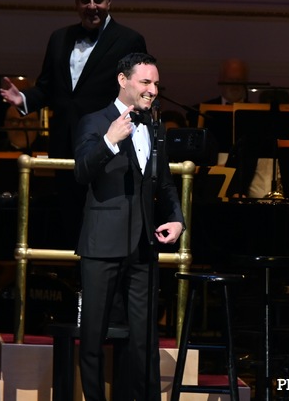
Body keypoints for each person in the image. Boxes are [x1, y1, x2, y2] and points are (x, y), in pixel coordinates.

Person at [0, 0, 148, 247]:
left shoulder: (129, 40)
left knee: (104, 215)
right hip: (65, 143)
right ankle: (76, 285)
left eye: (98, 0)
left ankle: (102, 285)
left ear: (110, 2)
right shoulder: (59, 38)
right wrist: (23, 100)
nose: (92, 6)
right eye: (86, 0)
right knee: (69, 219)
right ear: (76, 3)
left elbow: (137, 90)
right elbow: (47, 87)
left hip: (108, 142)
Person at [73, 53, 184, 401]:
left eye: (155, 84)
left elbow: (163, 182)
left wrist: (177, 219)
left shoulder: (155, 126)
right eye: (145, 82)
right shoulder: (95, 121)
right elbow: (81, 172)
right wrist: (109, 141)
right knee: (92, 337)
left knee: (144, 337)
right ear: (124, 80)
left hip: (142, 245)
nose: (152, 90)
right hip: (102, 244)